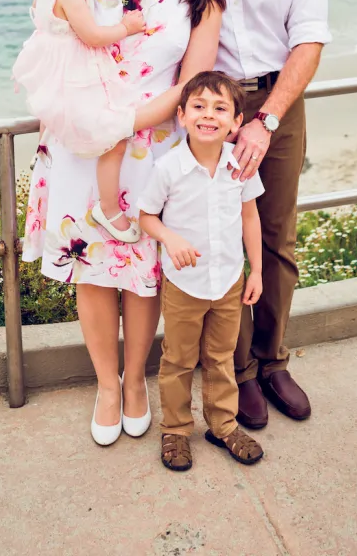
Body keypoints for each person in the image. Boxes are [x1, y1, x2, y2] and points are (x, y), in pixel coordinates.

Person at [22, 0, 225, 446]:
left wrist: (131, 121)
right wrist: (97, 119)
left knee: (141, 274)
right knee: (93, 270)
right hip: (84, 142)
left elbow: (194, 84)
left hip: (153, 147)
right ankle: (106, 386)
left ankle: (137, 380)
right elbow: (56, 39)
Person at [188, 0, 331, 430]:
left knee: (275, 239)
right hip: (203, 109)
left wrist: (267, 118)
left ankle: (272, 362)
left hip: (277, 103)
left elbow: (309, 39)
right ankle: (235, 371)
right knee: (215, 239)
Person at [13, 0, 197, 243]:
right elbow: (93, 36)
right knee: (113, 136)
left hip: (61, 78)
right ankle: (108, 207)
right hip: (76, 79)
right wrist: (125, 27)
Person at [139, 71, 265, 472]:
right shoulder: (168, 167)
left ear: (236, 122)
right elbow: (146, 216)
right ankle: (175, 429)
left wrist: (256, 271)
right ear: (181, 115)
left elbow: (250, 217)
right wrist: (169, 239)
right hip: (184, 285)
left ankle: (223, 424)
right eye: (199, 106)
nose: (208, 115)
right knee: (177, 359)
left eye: (220, 108)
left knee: (221, 356)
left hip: (229, 280)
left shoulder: (240, 166)